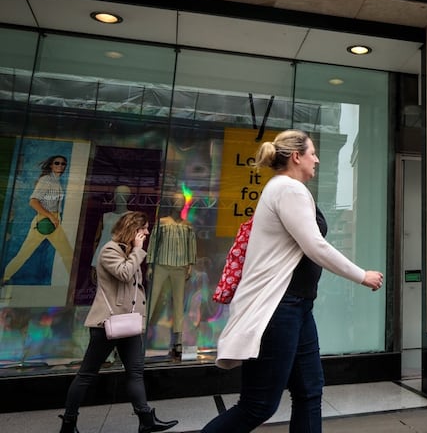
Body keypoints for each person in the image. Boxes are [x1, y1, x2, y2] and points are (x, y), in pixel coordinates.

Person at [200, 130, 384, 433]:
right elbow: (316, 246)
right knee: (258, 405)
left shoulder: (285, 189)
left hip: (297, 308)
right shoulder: (288, 190)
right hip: (278, 308)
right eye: (312, 153)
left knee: (309, 391)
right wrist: (361, 275)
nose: (317, 159)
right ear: (296, 156)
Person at [59, 211, 178, 433]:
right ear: (132, 229)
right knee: (86, 374)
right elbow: (124, 273)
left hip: (129, 324)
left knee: (135, 372)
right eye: (143, 229)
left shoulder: (128, 251)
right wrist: (138, 250)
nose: (147, 232)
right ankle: (68, 423)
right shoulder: (109, 250)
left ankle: (146, 420)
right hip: (107, 324)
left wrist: (135, 251)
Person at [3, 155, 74, 284]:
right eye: (57, 163)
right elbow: (33, 202)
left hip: (53, 221)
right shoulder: (46, 180)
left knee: (67, 253)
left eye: (63, 164)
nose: (60, 166)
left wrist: (56, 217)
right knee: (24, 253)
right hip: (45, 221)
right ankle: (5, 277)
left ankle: (74, 283)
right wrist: (51, 216)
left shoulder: (56, 181)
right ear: (51, 165)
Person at [147, 194, 197, 360]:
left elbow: (191, 246)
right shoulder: (162, 223)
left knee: (178, 304)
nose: (178, 203)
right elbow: (153, 243)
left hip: (180, 267)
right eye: (176, 201)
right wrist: (150, 264)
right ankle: (139, 335)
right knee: (152, 301)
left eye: (181, 201)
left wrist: (190, 264)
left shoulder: (187, 226)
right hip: (161, 265)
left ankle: (178, 341)